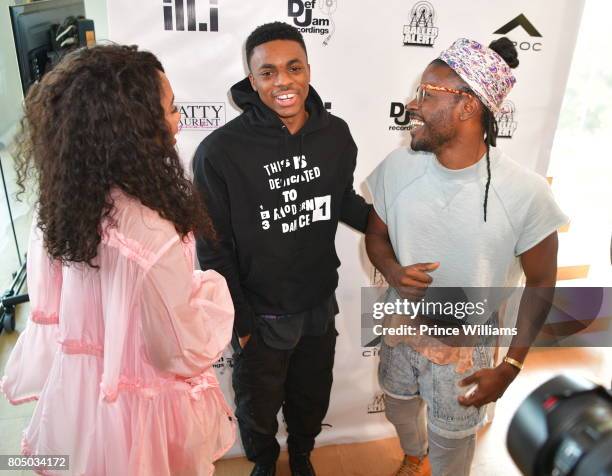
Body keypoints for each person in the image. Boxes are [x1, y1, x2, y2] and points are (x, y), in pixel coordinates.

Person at [0, 45, 235, 476]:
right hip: (139, 405)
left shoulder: (61, 206)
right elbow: (178, 352)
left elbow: (50, 314)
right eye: (171, 109)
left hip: (85, 401)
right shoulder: (150, 231)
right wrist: (210, 292)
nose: (178, 119)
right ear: (136, 129)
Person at [365, 38, 568, 476]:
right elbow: (376, 237)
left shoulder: (526, 193)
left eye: (426, 93)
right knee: (399, 408)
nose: (412, 105)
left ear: (467, 107)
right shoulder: (397, 168)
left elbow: (542, 283)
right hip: (400, 328)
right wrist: (394, 273)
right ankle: (412, 454)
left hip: (468, 345)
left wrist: (510, 367)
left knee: (451, 448)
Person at [193, 21, 371, 476]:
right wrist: (242, 320)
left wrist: (388, 226)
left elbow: (341, 199)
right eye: (267, 72)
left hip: (316, 302)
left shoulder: (336, 135)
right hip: (261, 312)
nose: (282, 81)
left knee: (311, 397)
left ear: (308, 70)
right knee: (257, 406)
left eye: (292, 67)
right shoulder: (220, 151)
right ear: (251, 80)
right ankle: (265, 463)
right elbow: (214, 247)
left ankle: (304, 456)